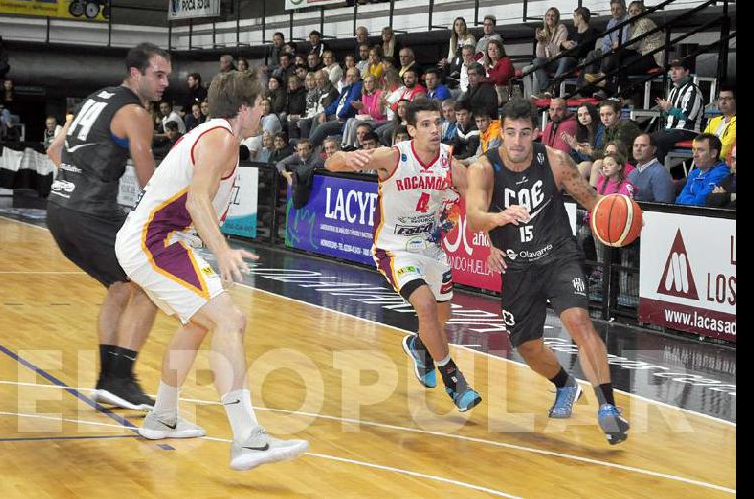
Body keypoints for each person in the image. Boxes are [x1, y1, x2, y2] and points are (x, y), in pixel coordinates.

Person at [113, 70, 309, 469]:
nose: (263, 110)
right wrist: (222, 251)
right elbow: (196, 202)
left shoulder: (219, 137)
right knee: (230, 320)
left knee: (198, 322)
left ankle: (163, 417)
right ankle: (249, 439)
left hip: (159, 240)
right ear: (244, 108)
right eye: (260, 104)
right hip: (154, 240)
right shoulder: (220, 138)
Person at [465, 98, 630, 445]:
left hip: (557, 255)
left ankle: (608, 407)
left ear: (536, 133)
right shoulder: (483, 167)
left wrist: (621, 216)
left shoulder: (555, 161)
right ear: (501, 131)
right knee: (526, 346)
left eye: (525, 133)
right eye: (510, 133)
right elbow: (474, 216)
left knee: (579, 321)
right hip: (516, 264)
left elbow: (591, 200)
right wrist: (498, 219)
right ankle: (565, 386)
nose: (517, 141)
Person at [325, 98, 483, 412]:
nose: (434, 130)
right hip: (394, 248)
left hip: (431, 247)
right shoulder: (392, 156)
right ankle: (454, 380)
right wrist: (347, 157)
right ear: (411, 129)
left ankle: (418, 346)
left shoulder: (451, 164)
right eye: (425, 124)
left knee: (440, 320)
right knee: (424, 305)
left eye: (437, 123)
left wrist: (486, 234)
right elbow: (332, 163)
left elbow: (471, 204)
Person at [45, 42, 170, 411]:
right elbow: (150, 182)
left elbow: (55, 152)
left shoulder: (95, 98)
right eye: (158, 75)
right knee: (152, 282)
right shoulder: (136, 112)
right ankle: (120, 379)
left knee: (120, 287)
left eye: (167, 76)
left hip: (59, 208)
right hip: (90, 211)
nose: (165, 83)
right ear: (136, 74)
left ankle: (107, 382)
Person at [650, 58, 704, 165]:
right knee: (646, 140)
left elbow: (688, 116)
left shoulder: (693, 90)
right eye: (671, 69)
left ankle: (657, 175)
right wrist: (665, 109)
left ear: (687, 72)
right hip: (671, 129)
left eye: (678, 69)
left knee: (660, 141)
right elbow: (669, 116)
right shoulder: (674, 90)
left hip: (688, 131)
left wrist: (670, 109)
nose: (673, 72)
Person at [675, 133, 731, 206]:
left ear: (713, 153)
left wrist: (689, 199)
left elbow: (700, 202)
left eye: (700, 150)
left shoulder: (721, 173)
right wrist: (693, 199)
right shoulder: (694, 173)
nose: (695, 155)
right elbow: (678, 200)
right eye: (694, 149)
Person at [526, 7, 570, 98]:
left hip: (559, 60)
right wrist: (540, 42)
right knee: (536, 61)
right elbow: (540, 57)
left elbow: (557, 50)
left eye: (553, 15)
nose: (550, 17)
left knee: (563, 59)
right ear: (545, 17)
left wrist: (546, 42)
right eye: (548, 15)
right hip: (549, 62)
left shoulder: (562, 29)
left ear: (557, 18)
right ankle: (546, 90)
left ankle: (553, 89)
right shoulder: (543, 32)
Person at [627, 133, 675, 203]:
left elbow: (663, 207)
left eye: (643, 145)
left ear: (654, 149)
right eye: (635, 145)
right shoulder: (632, 173)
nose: (638, 149)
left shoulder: (661, 174)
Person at [703, 85, 736, 164]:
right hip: (708, 162)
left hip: (726, 166)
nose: (723, 102)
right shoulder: (714, 121)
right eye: (721, 99)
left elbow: (725, 149)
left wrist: (704, 153)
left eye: (727, 99)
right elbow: (700, 141)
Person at [704, 144, 735, 209]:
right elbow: (709, 199)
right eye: (733, 159)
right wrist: (729, 197)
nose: (735, 163)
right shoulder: (730, 178)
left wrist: (723, 197)